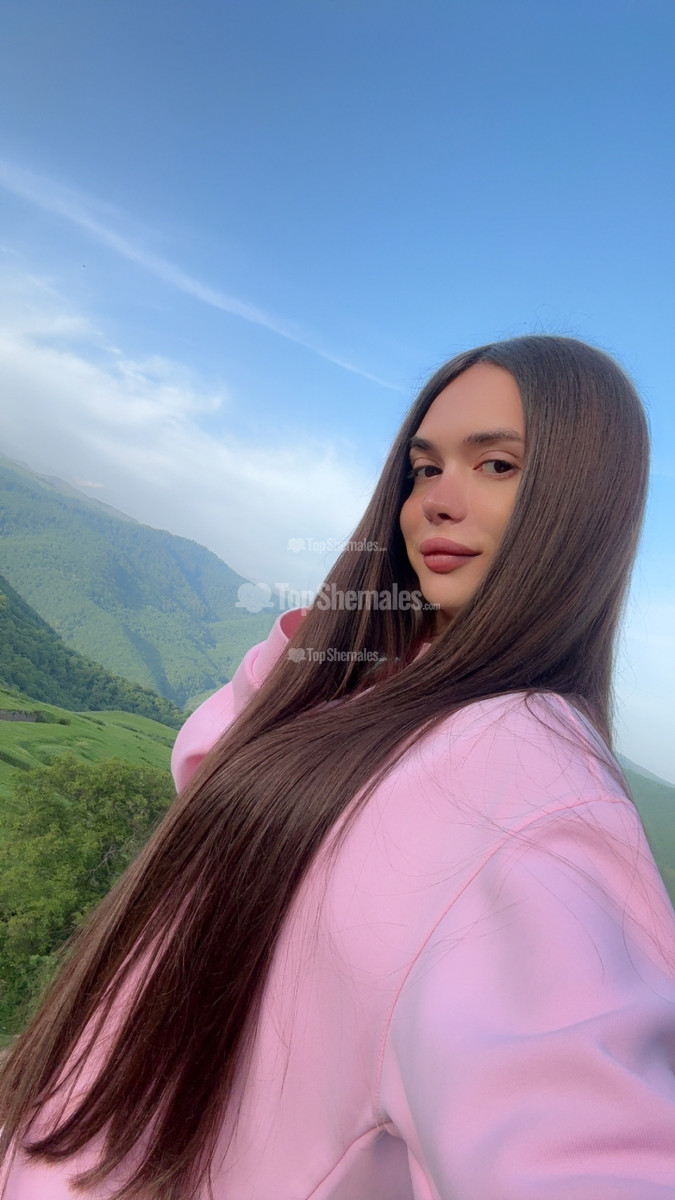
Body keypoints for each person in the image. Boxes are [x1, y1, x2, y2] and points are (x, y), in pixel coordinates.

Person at [1, 335, 674, 1200]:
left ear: (581, 508)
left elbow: (585, 1146)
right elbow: (208, 761)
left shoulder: (527, 792)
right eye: (423, 470)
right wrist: (339, 650)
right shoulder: (391, 689)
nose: (435, 502)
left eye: (496, 465)